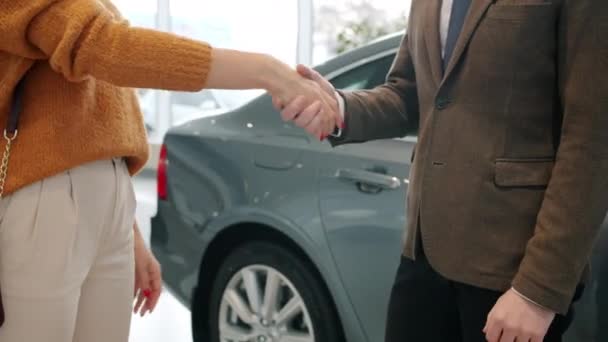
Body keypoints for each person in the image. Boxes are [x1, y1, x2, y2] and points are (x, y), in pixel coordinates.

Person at [0, 0, 340, 341]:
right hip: (41, 197)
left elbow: (94, 110)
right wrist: (266, 71)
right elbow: (106, 48)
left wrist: (127, 230)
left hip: (102, 196)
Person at [277, 0, 608, 341]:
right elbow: (409, 93)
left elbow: (592, 137)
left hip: (511, 265)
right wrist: (340, 108)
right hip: (424, 252)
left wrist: (538, 291)